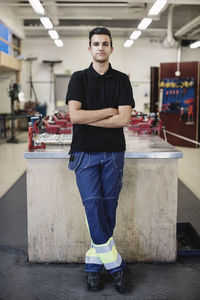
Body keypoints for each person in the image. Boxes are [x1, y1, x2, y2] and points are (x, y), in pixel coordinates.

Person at [66, 27, 135, 293]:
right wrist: (108, 112)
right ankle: (115, 265)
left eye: (105, 44)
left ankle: (94, 263)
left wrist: (90, 116)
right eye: (96, 44)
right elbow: (74, 116)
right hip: (84, 153)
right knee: (93, 207)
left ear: (111, 48)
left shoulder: (121, 80)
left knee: (108, 208)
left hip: (114, 153)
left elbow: (125, 119)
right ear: (90, 49)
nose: (100, 48)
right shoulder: (78, 78)